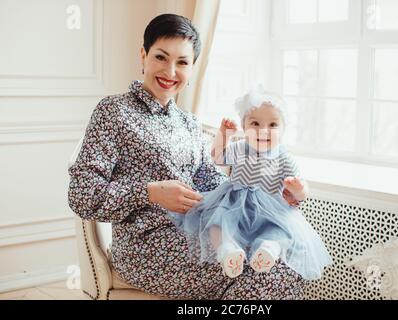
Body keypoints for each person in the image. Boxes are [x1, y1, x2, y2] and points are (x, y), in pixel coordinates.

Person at [68, 13, 308, 299]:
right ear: (143, 56)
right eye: (160, 57)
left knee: (287, 252)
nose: (170, 71)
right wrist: (151, 193)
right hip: (146, 248)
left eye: (182, 62)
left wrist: (273, 194)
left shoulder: (190, 123)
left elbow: (216, 184)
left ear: (192, 68)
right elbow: (82, 196)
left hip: (200, 232)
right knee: (272, 269)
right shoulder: (114, 112)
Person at [170, 85, 332, 280]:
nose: (263, 131)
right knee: (216, 224)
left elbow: (301, 194)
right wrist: (224, 134)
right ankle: (228, 250)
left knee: (281, 233)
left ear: (283, 130)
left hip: (270, 211)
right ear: (245, 127)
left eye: (272, 125)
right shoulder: (240, 148)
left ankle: (269, 249)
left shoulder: (284, 159)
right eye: (255, 123)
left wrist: (298, 189)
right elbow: (218, 157)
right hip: (233, 204)